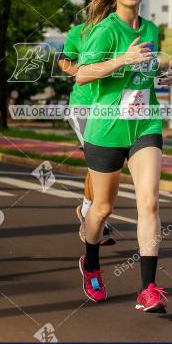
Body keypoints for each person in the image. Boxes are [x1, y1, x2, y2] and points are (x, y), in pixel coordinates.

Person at [74, 0, 171, 313]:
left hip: (145, 123)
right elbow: (82, 75)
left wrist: (159, 72)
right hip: (106, 127)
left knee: (149, 202)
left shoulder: (151, 29)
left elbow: (145, 71)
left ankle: (148, 289)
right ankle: (92, 263)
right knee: (102, 208)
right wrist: (122, 60)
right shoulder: (105, 31)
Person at [58, 19, 116, 247]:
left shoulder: (119, 29)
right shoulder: (77, 32)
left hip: (108, 106)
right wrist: (82, 71)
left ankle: (87, 211)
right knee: (96, 162)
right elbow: (62, 60)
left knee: (103, 165)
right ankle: (89, 213)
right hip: (82, 105)